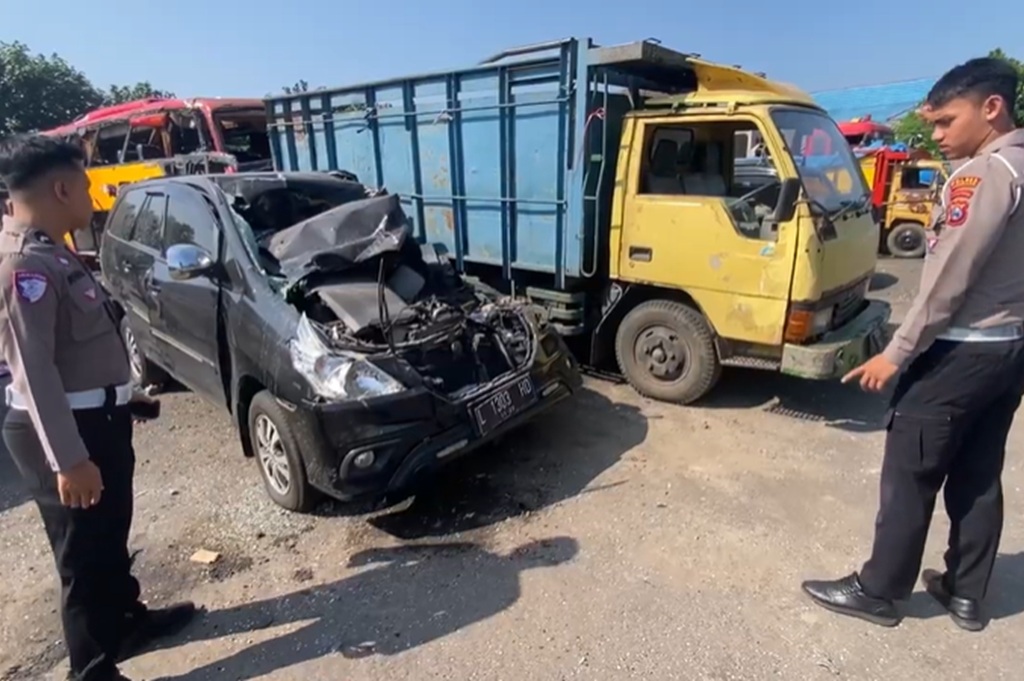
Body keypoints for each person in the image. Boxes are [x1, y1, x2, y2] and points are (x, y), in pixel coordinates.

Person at [801, 57, 1024, 631]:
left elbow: (950, 278)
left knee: (911, 472)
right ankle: (966, 593)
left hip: (959, 349)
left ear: (992, 108)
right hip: (1008, 348)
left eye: (948, 121)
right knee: (977, 470)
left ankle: (879, 589)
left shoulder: (984, 175)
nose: (938, 135)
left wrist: (896, 352)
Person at [0, 135, 196, 681]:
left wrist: (119, 395)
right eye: (85, 186)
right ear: (60, 188)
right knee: (82, 558)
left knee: (109, 534)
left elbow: (76, 348)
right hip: (66, 431)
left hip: (96, 417)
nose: (92, 197)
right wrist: (67, 459)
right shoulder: (22, 265)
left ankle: (125, 624)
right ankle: (91, 669)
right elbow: (33, 370)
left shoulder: (52, 247)